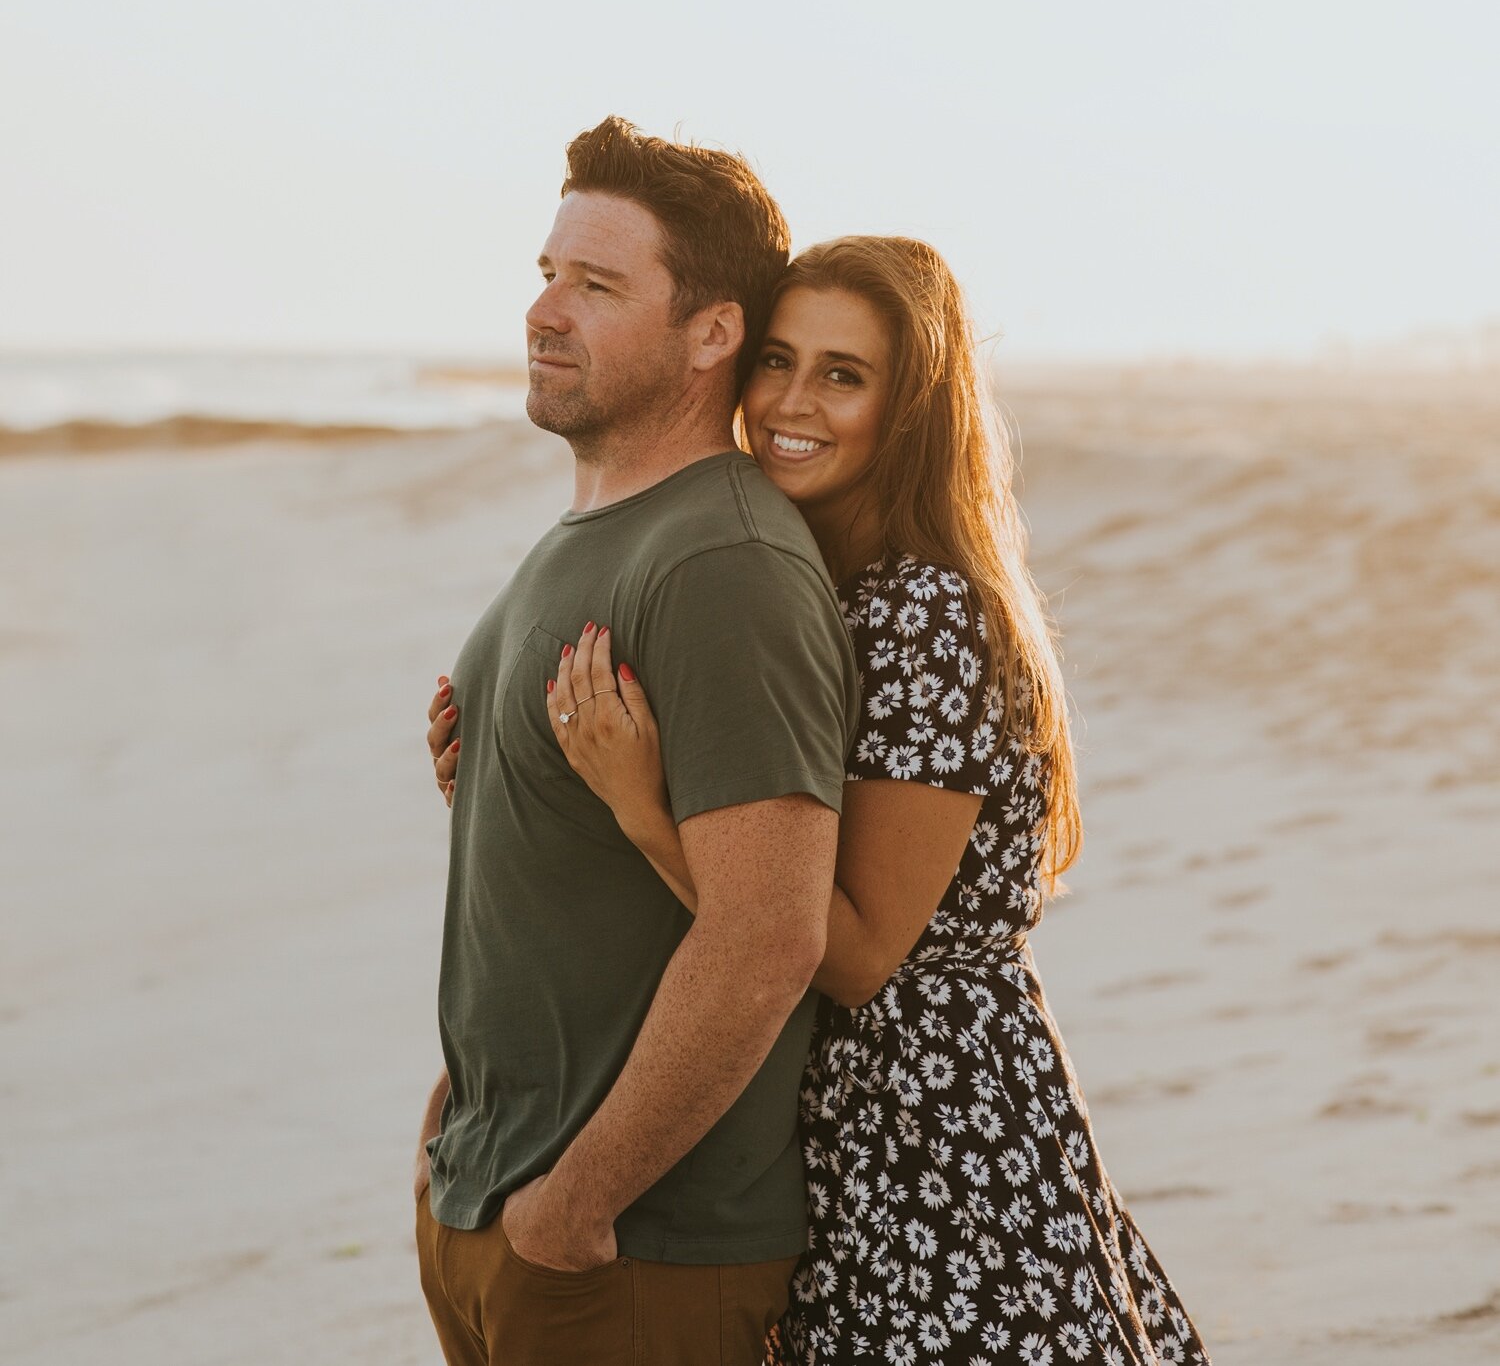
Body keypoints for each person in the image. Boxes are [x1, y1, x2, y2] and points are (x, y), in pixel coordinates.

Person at [432, 235, 1211, 1364]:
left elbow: (852, 956)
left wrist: (639, 804)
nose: (794, 402)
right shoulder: (816, 586)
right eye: (779, 362)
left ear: (913, 411)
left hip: (937, 1122)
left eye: (843, 375)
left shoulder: (924, 615)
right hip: (838, 1115)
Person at [414, 118, 859, 1366]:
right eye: (548, 273)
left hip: (633, 1250)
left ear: (712, 332)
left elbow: (771, 930)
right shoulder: (597, 527)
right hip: (496, 1197)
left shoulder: (723, 560)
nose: (544, 310)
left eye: (597, 286)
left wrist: (575, 1206)